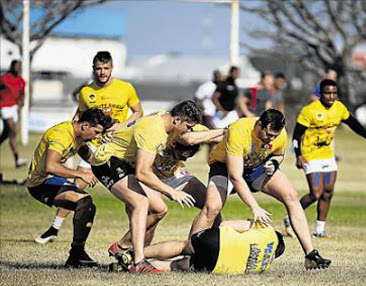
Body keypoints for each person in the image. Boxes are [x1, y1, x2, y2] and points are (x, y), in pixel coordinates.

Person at [181, 109, 331, 269]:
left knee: (291, 196)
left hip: (255, 168)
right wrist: (255, 207)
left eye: (274, 136)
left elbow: (278, 154)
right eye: (268, 134)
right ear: (259, 124)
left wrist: (274, 163)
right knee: (212, 208)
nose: (270, 138)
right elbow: (235, 176)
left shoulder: (279, 134)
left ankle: (310, 255)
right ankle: (189, 255)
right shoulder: (239, 130)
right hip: (225, 166)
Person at [35, 51, 143, 244]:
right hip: (92, 147)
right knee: (78, 187)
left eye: (106, 68)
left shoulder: (125, 88)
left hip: (118, 147)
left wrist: (121, 125)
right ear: (93, 69)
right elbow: (80, 116)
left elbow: (138, 112)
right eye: (99, 68)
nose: (102, 72)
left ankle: (134, 232)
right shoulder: (86, 92)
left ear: (112, 68)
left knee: (130, 191)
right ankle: (54, 228)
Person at [87, 100, 201, 274]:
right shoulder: (153, 130)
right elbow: (142, 172)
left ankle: (122, 246)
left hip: (126, 163)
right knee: (141, 203)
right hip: (107, 161)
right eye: (188, 126)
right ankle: (138, 262)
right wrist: (172, 192)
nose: (189, 131)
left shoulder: (164, 117)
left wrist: (223, 132)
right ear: (177, 121)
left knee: (159, 209)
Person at [106, 124, 225, 264]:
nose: (185, 158)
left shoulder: (196, 130)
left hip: (173, 173)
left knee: (212, 205)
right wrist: (110, 133)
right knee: (155, 212)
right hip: (148, 175)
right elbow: (137, 127)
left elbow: (219, 136)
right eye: (182, 154)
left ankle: (200, 250)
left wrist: (230, 133)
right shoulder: (167, 131)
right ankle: (126, 249)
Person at [284, 79, 366, 238]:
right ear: (320, 94)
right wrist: (299, 155)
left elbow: (353, 124)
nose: (331, 96)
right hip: (310, 155)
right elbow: (296, 135)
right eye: (327, 93)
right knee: (315, 193)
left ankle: (319, 229)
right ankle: (289, 219)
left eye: (334, 93)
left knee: (328, 192)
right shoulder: (309, 111)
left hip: (327, 155)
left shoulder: (339, 108)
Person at [26, 108, 114, 267]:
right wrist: (80, 174)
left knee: (88, 206)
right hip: (40, 184)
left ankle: (76, 254)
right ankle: (76, 254)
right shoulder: (61, 135)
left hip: (53, 181)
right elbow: (51, 166)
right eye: (96, 132)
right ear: (85, 126)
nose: (96, 136)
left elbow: (90, 157)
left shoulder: (79, 135)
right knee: (84, 201)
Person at [140, 220, 285, 275]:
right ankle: (129, 268)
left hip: (217, 240)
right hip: (216, 265)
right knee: (175, 265)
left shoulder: (268, 230)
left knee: (184, 247)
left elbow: (225, 224)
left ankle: (136, 255)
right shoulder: (263, 268)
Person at [0, 59, 27, 168]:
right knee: (13, 130)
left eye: (20, 66)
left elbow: (22, 93)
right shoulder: (4, 79)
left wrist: (22, 101)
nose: (18, 68)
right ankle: (17, 158)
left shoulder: (21, 80)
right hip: (4, 106)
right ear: (12, 67)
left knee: (8, 133)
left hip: (13, 107)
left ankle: (17, 160)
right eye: (16, 66)